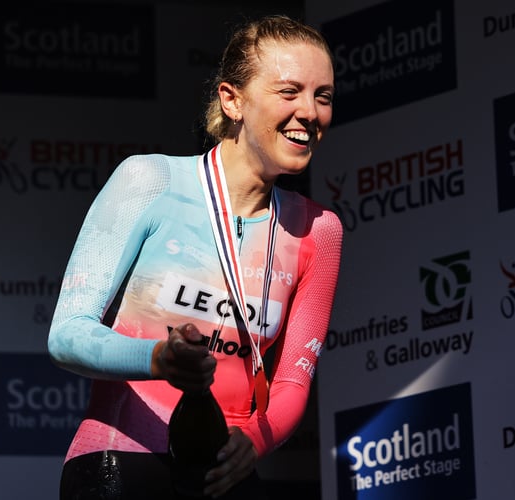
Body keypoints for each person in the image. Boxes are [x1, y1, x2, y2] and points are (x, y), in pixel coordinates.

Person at [48, 14, 343, 500]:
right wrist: (159, 358)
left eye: (323, 96)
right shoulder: (151, 182)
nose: (309, 112)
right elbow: (67, 334)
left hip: (226, 470)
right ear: (233, 100)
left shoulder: (321, 231)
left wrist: (255, 439)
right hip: (123, 461)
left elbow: (291, 380)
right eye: (289, 92)